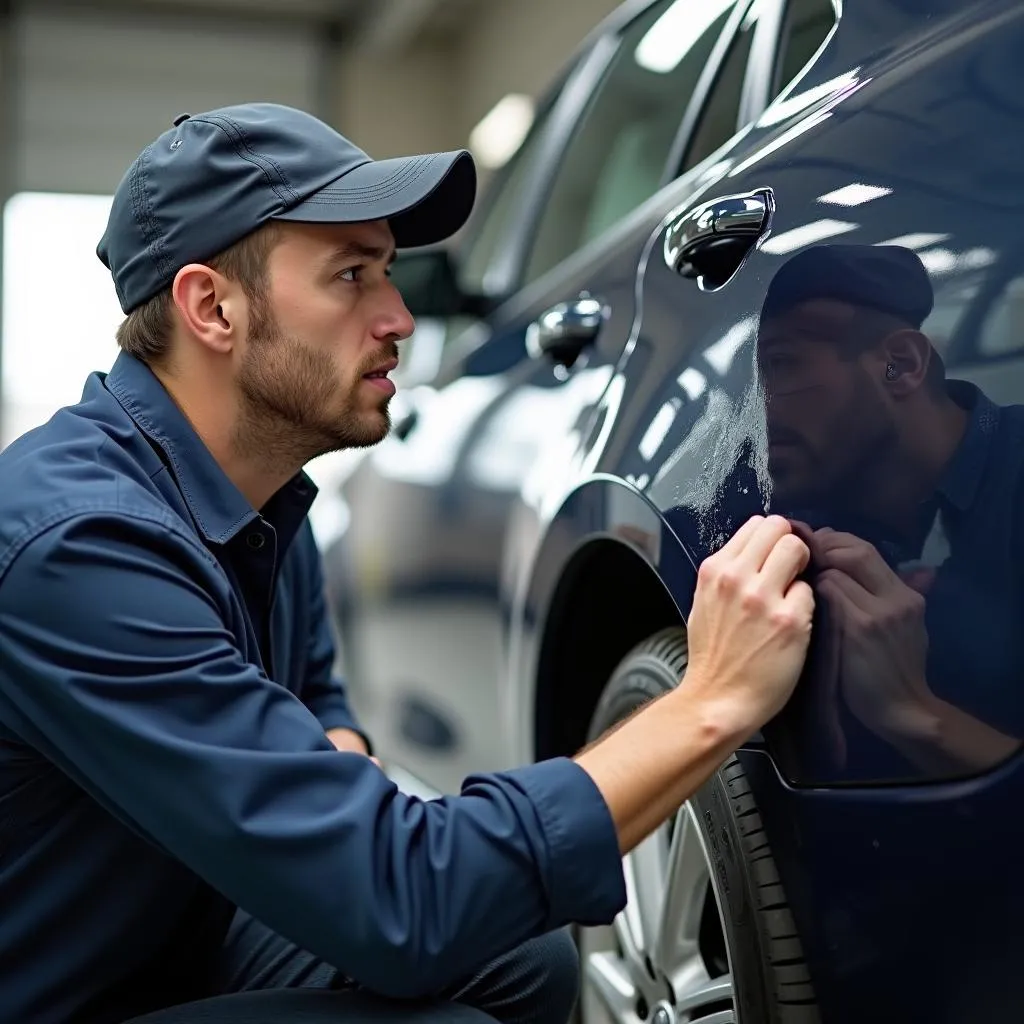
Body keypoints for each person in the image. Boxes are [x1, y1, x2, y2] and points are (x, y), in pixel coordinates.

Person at [0, 103, 814, 1024]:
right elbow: (403, 904)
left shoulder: (256, 491)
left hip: (169, 936)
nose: (397, 319)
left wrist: (327, 792)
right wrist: (710, 701)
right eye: (350, 275)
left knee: (516, 956)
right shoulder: (83, 549)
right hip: (67, 995)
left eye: (387, 272)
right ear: (211, 307)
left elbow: (317, 704)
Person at [757, 243, 1024, 778]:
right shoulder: (805, 511)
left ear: (898, 365)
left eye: (782, 367)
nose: (757, 410)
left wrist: (914, 715)